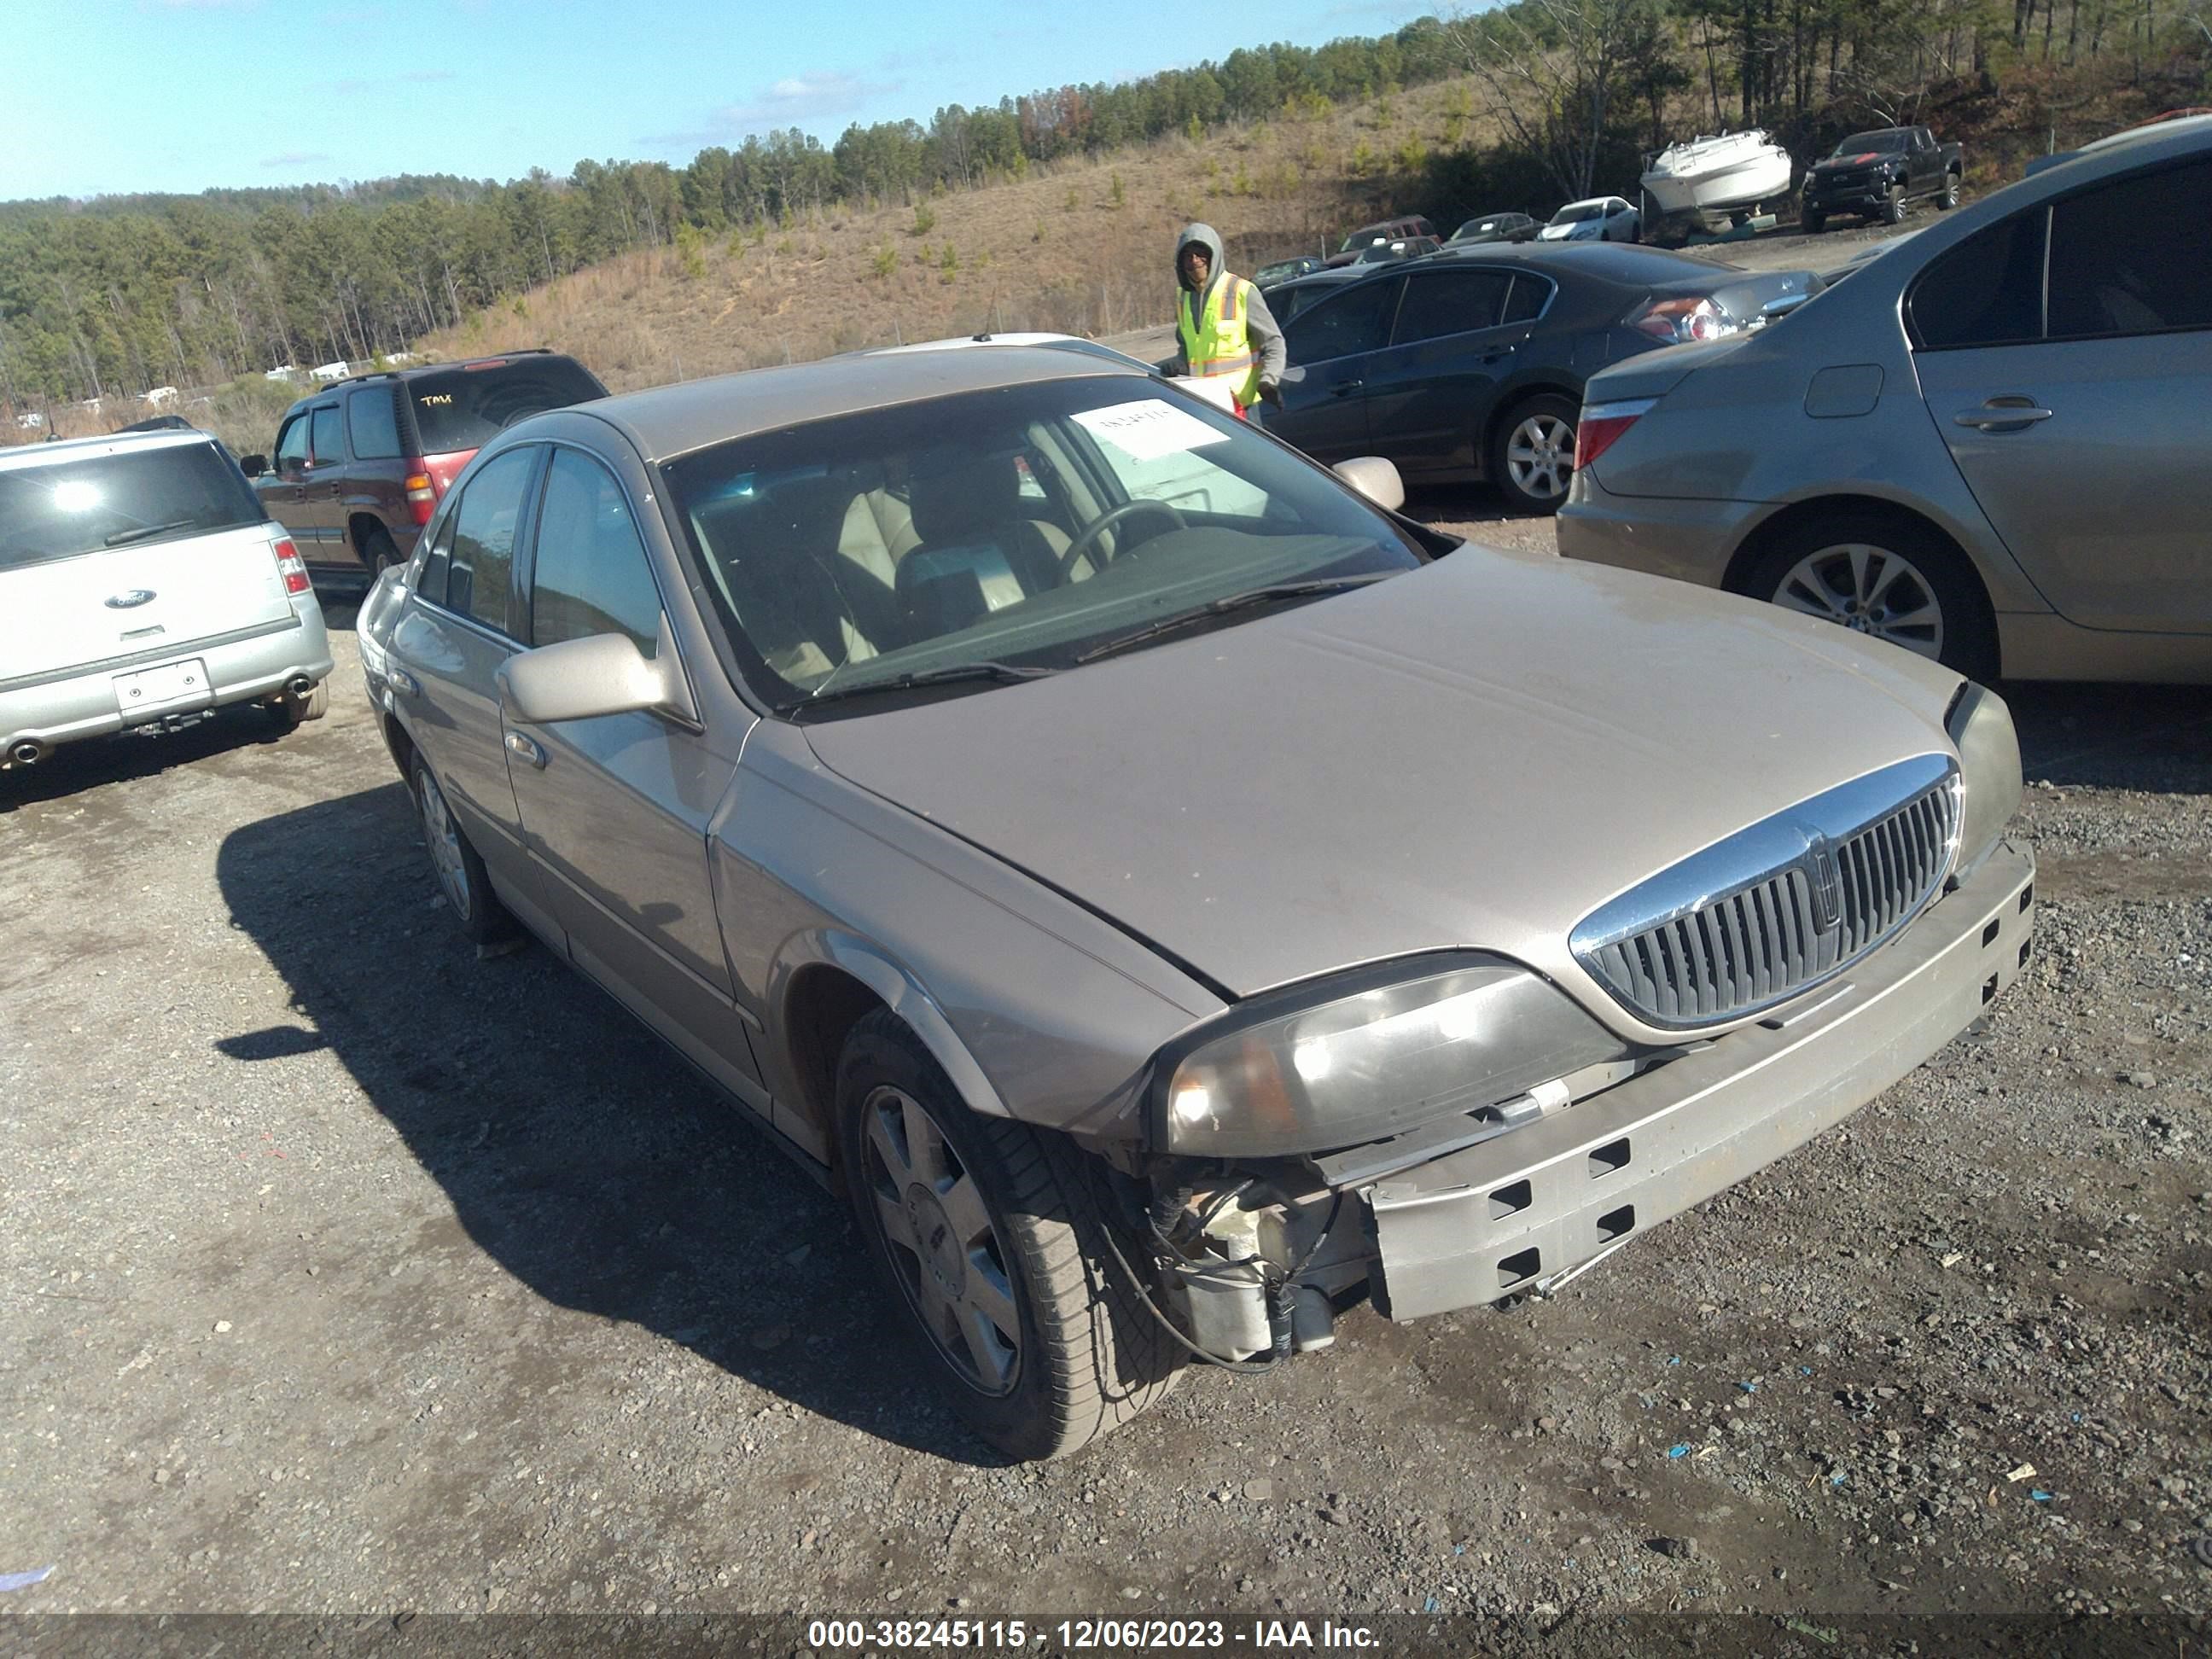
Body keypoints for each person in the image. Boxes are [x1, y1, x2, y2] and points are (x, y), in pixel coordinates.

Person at [1155, 223, 1285, 418]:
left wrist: (1268, 380)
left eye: (1201, 254)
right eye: (1188, 256)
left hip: (1241, 409)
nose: (1195, 261)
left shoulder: (1241, 291)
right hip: (1204, 408)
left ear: (1214, 255)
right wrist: (1178, 364)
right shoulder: (1184, 298)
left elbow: (1274, 342)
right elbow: (1188, 348)